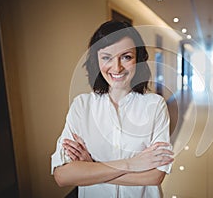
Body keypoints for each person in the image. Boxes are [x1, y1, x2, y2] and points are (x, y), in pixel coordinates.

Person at [51, 20, 174, 198]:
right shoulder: (82, 106)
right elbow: (62, 176)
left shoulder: (155, 106)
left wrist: (92, 167)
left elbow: (155, 176)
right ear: (97, 60)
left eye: (126, 57)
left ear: (138, 59)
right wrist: (131, 164)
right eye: (106, 57)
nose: (117, 67)